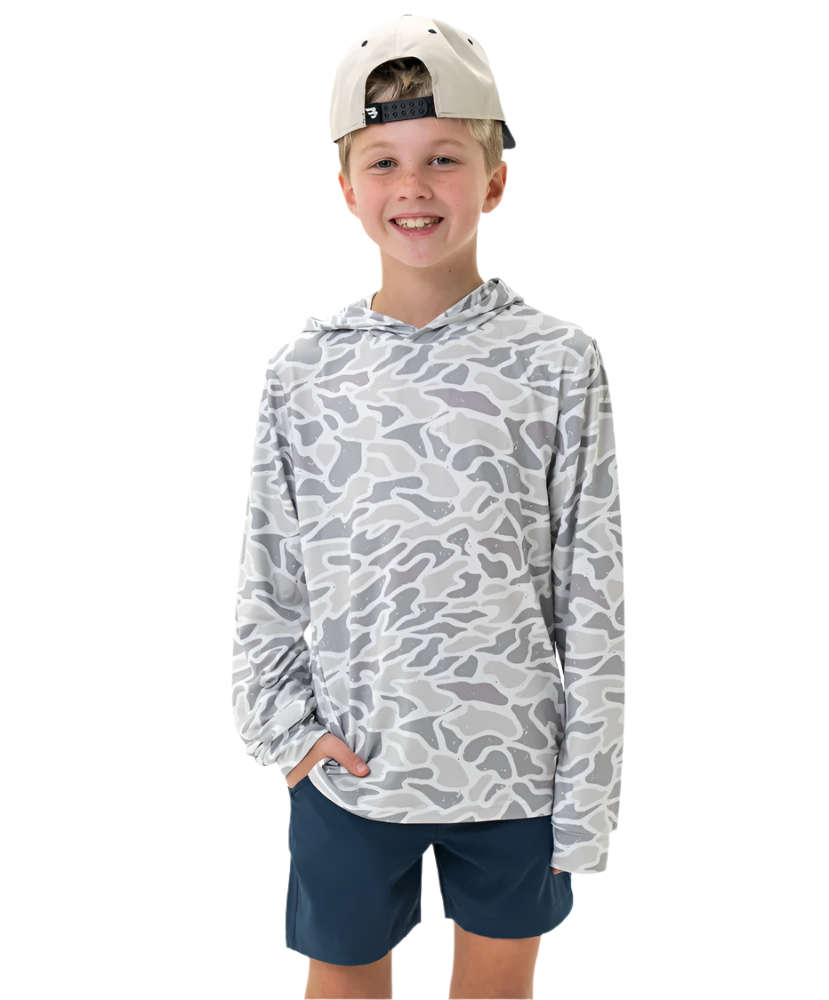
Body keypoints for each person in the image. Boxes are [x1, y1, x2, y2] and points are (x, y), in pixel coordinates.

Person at [231, 14, 625, 999]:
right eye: (384, 162)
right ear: (347, 187)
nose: (412, 186)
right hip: (352, 769)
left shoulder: (558, 362)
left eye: (443, 158)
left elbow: (592, 591)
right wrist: (287, 736)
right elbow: (269, 575)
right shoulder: (304, 372)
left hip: (515, 775)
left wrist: (585, 797)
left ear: (493, 181)